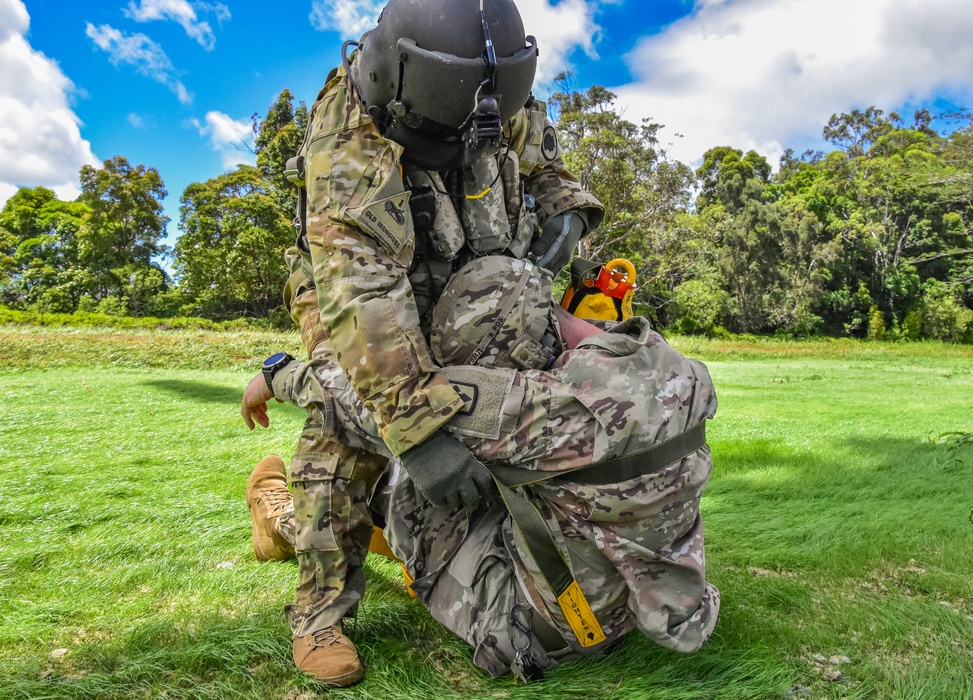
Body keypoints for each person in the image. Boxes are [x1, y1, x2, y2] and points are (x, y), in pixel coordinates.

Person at [245, 0, 604, 685]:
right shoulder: (345, 143)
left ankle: (404, 531)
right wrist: (418, 435)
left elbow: (544, 166)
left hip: (472, 269)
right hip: (353, 291)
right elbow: (367, 303)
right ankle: (318, 611)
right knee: (347, 408)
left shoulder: (489, 87)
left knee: (490, 420)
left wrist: (567, 219)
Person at [243, 256, 719, 680]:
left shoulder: (542, 409)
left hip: (524, 626)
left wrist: (276, 373)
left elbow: (367, 401)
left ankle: (283, 521)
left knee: (416, 459)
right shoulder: (680, 368)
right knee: (495, 475)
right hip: (628, 605)